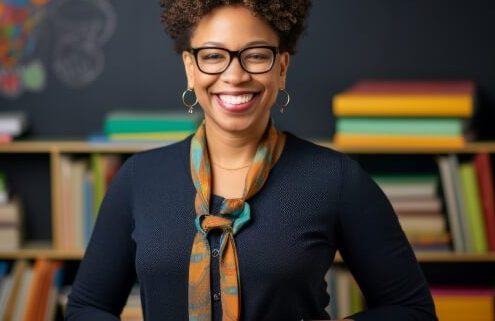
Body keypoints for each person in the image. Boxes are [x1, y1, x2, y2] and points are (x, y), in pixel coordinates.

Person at [66, 1, 438, 320]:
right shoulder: (138, 179)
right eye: (213, 56)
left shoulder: (335, 179)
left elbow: (412, 309)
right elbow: (86, 306)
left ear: (282, 67)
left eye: (256, 55)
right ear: (190, 68)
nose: (235, 75)